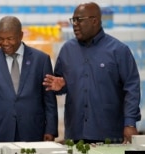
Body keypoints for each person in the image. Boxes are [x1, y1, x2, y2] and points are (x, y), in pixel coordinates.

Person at [43, 2, 141, 144]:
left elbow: (132, 88)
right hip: (76, 135)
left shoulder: (119, 50)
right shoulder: (67, 50)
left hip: (110, 134)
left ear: (94, 21)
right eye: (73, 20)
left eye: (79, 20)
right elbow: (61, 83)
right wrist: (60, 86)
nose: (75, 24)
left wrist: (130, 123)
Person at [0, 16, 58, 142]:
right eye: (1, 38)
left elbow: (49, 101)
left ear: (20, 36)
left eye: (10, 39)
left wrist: (51, 130)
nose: (5, 43)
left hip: (34, 131)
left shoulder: (41, 60)